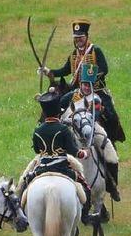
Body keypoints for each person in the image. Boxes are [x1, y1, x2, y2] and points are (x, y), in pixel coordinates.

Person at [38, 19, 125, 143]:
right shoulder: (74, 54)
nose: (78, 39)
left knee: (111, 115)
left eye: (81, 37)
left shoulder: (95, 51)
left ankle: (110, 139)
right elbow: (65, 70)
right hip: (78, 91)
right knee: (59, 107)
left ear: (86, 36)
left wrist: (90, 80)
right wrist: (49, 71)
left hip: (97, 90)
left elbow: (104, 69)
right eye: (76, 37)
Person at [29, 91, 97, 224]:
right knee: (86, 189)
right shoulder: (64, 129)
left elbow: (37, 150)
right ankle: (85, 216)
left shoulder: (37, 131)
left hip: (41, 168)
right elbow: (74, 151)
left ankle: (22, 214)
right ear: (58, 113)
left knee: (24, 185)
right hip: (62, 167)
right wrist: (85, 153)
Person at [60, 63, 121, 201]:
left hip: (92, 128)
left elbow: (95, 116)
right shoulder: (70, 96)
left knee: (112, 157)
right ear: (80, 83)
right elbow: (59, 108)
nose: (86, 87)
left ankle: (112, 186)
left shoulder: (96, 99)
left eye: (89, 85)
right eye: (84, 84)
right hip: (71, 128)